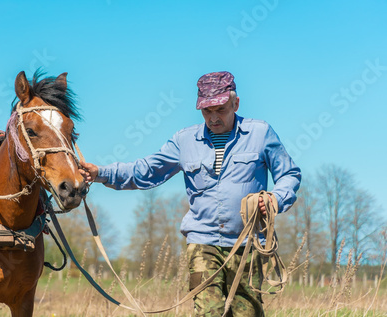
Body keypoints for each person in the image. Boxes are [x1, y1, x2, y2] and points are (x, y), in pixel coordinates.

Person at [79, 71, 301, 316]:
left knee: (247, 313)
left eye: (221, 109)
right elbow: (147, 170)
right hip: (203, 242)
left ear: (235, 103)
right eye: (207, 111)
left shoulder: (260, 133)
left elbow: (289, 174)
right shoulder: (185, 141)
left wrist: (275, 199)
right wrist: (101, 172)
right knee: (208, 312)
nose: (213, 118)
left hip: (248, 244)